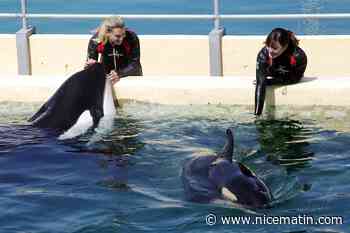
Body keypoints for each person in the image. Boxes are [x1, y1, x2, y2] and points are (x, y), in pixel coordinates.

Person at [254, 28, 307, 116]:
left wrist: (270, 81)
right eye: (268, 45)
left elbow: (295, 78)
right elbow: (260, 84)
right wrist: (257, 116)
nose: (270, 50)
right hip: (273, 72)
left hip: (288, 75)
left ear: (285, 46)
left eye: (274, 48)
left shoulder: (298, 56)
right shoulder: (263, 55)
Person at [85, 16, 143, 84]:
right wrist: (91, 66)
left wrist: (119, 74)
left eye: (123, 35)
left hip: (128, 75)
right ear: (107, 33)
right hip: (107, 75)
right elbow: (89, 68)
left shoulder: (131, 37)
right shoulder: (96, 40)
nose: (121, 39)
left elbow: (136, 66)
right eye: (117, 36)